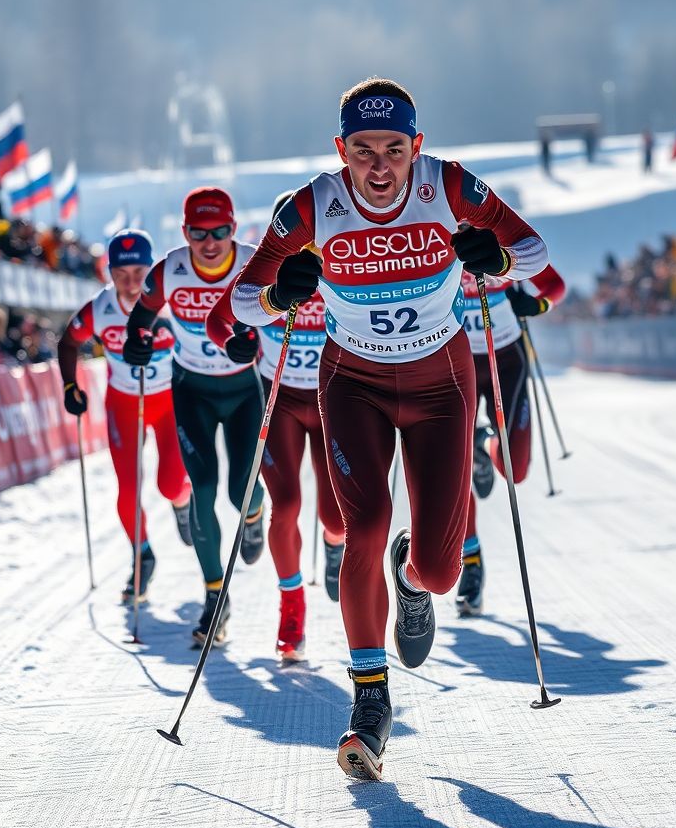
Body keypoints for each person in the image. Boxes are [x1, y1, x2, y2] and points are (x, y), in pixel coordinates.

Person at [222, 77, 549, 779]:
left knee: (435, 567)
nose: (378, 167)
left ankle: (411, 577)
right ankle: (370, 698)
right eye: (363, 150)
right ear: (340, 150)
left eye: (393, 150)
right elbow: (245, 302)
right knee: (359, 527)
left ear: (416, 148)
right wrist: (285, 290)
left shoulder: (449, 187)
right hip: (355, 384)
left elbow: (535, 252)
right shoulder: (312, 205)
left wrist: (496, 257)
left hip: (441, 384)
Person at [207, 192, 344, 663]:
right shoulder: (264, 275)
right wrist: (234, 345)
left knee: (335, 515)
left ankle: (333, 544)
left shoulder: (343, 266)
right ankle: (291, 607)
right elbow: (218, 319)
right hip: (279, 402)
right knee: (285, 505)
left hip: (332, 402)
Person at [123, 189, 264, 645]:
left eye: (220, 232)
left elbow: (291, 305)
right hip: (192, 390)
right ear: (185, 233)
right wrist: (136, 341)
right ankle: (215, 599)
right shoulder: (169, 270)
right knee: (201, 488)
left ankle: (255, 511)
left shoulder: (255, 260)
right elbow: (140, 317)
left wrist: (258, 337)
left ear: (233, 230)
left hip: (244, 389)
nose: (210, 242)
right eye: (199, 234)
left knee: (241, 487)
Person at [59, 229, 192, 603]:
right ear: (109, 273)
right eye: (122, 273)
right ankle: (142, 556)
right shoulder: (100, 308)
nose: (132, 282)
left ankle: (183, 502)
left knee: (170, 483)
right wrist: (71, 386)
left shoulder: (169, 304)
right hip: (124, 402)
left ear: (151, 271)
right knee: (129, 488)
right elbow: (69, 341)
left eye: (139, 272)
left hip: (169, 399)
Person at [458, 263, 565, 617]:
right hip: (456, 360)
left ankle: (483, 444)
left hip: (506, 359)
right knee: (453, 472)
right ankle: (470, 560)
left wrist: (537, 306)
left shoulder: (501, 236)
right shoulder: (434, 233)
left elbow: (554, 285)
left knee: (515, 471)